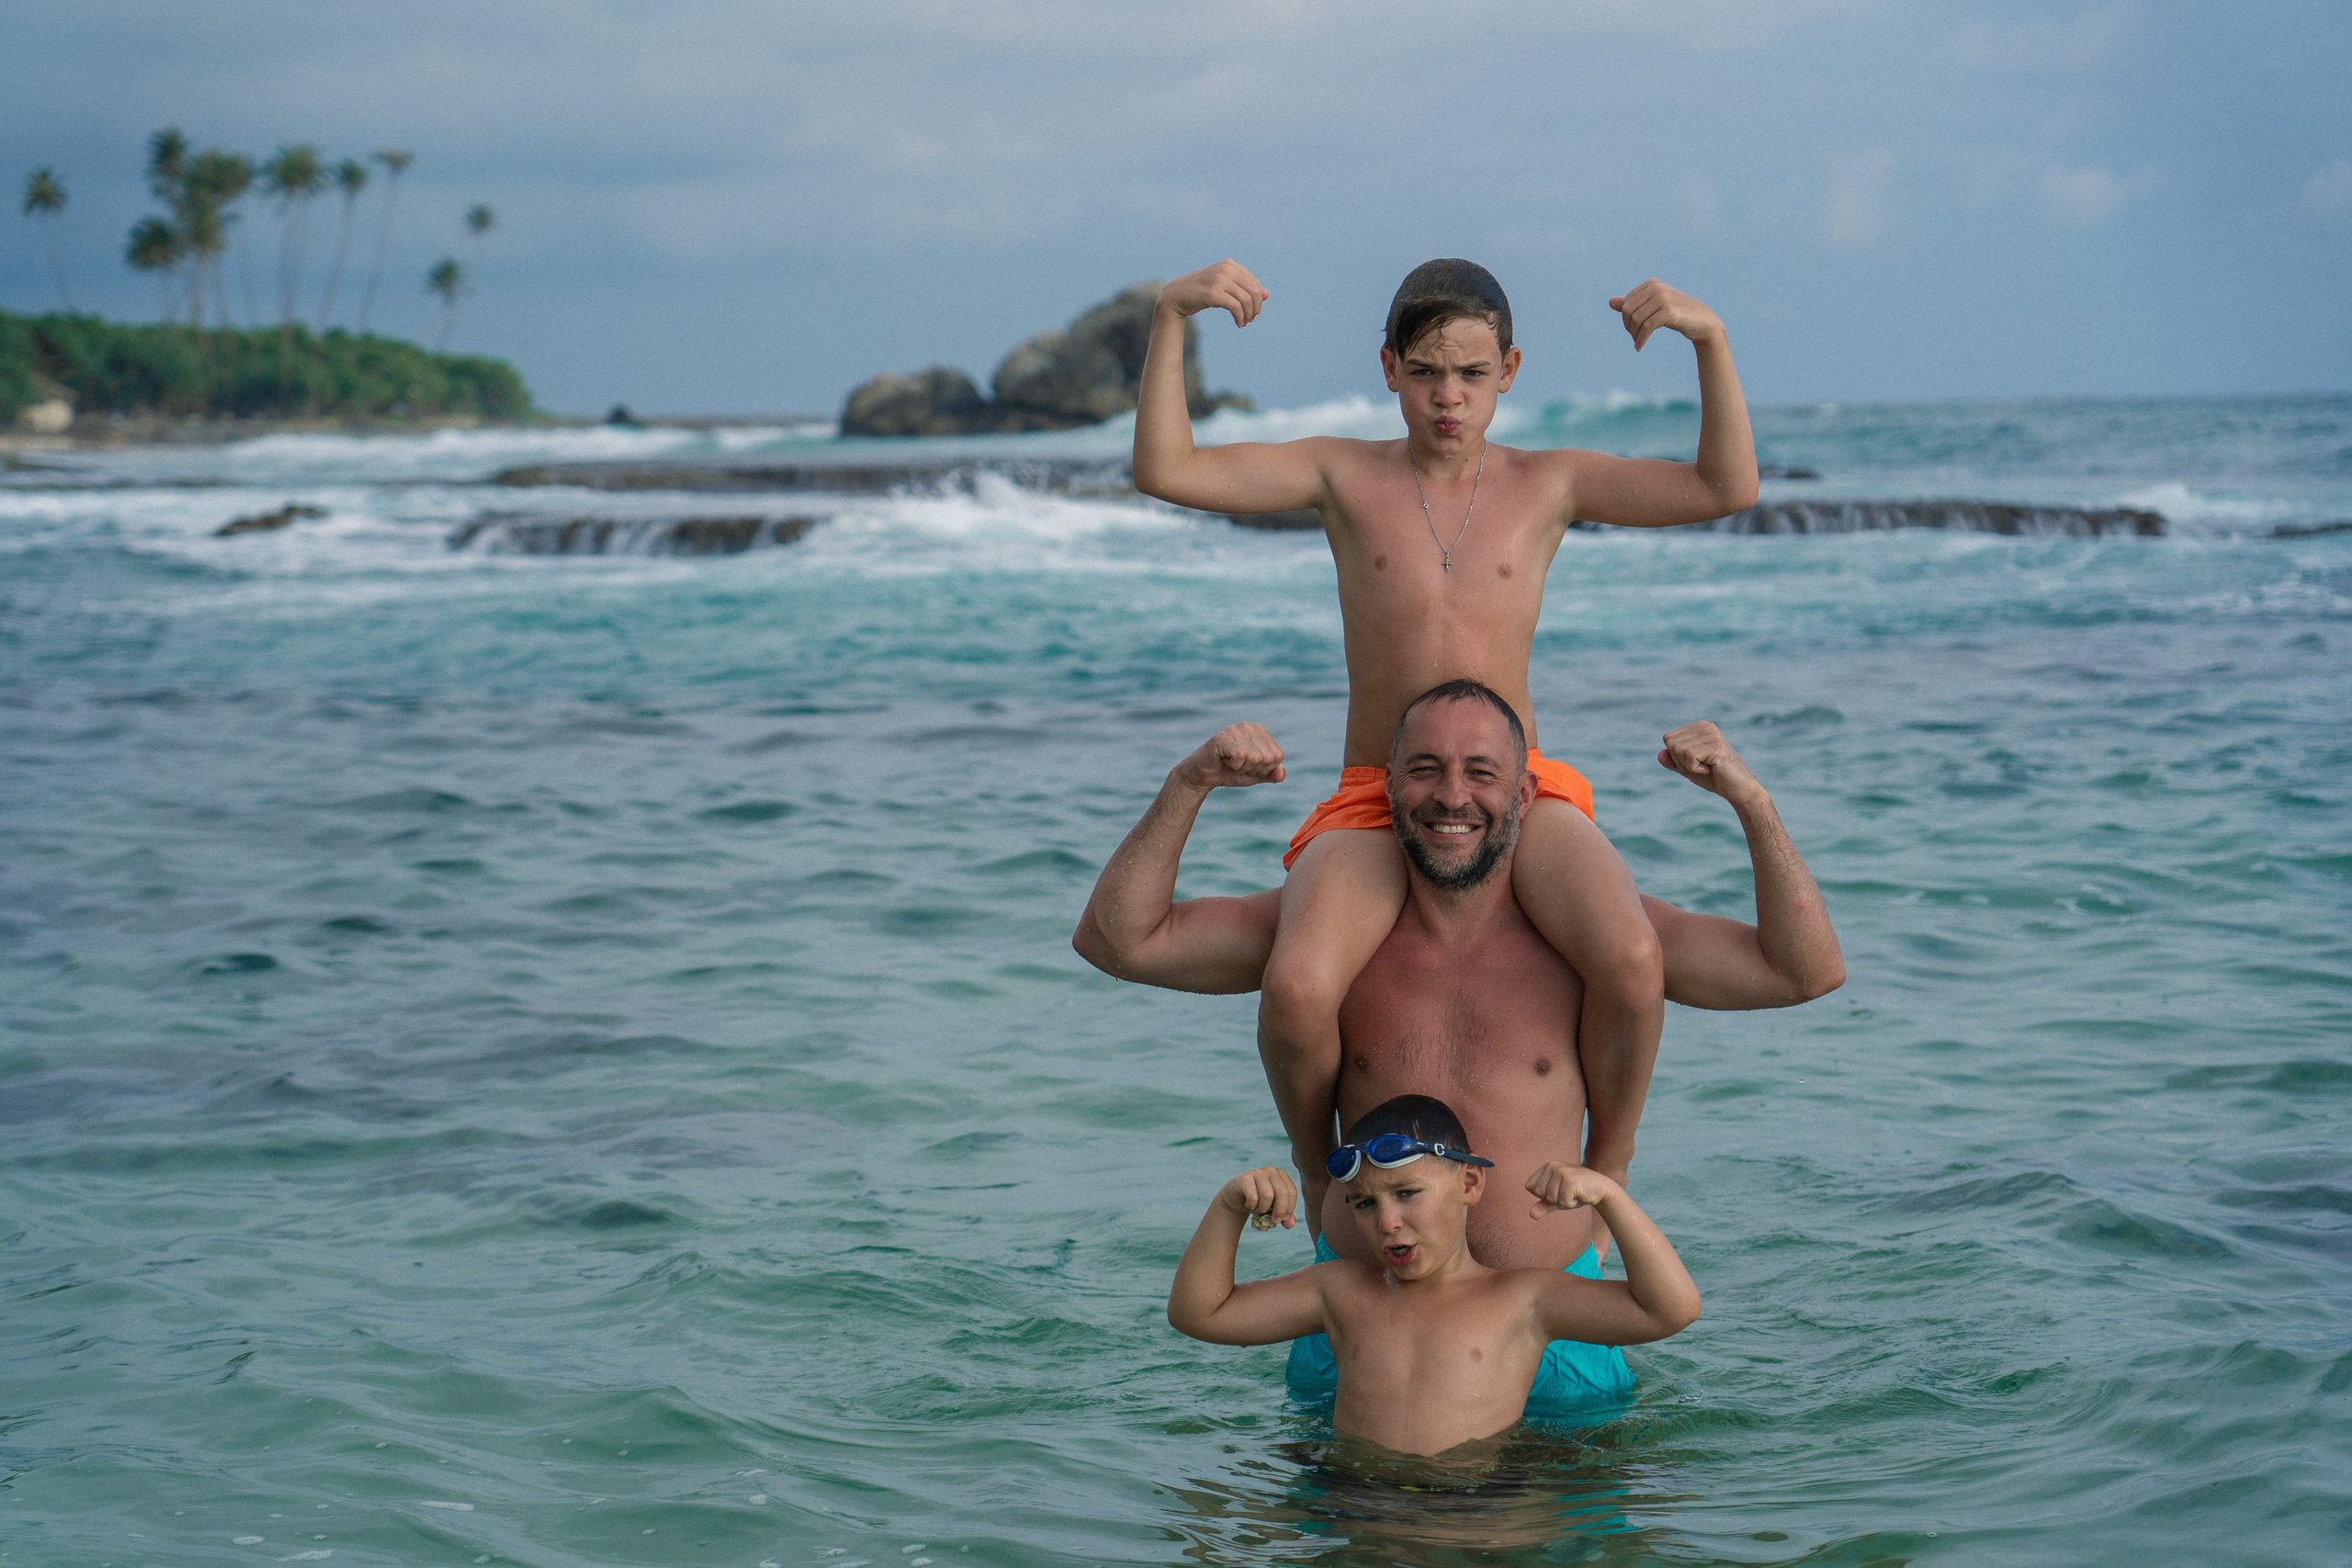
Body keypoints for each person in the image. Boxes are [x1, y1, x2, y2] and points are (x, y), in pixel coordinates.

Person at [1131, 256, 1760, 1229]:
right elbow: (1167, 470)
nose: (1448, 397)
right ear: (1389, 369)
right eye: (1425, 373)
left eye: (1470, 373)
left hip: (1519, 791)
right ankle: (1317, 1167)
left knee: (1634, 958)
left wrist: (1709, 340)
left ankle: (1612, 1163)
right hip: (1376, 792)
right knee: (1296, 985)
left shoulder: (1549, 483)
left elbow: (1724, 487)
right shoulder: (1342, 475)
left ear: (1510, 369)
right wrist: (1172, 315)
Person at [1075, 683, 1839, 1410]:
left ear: (1526, 794)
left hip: (1553, 1327)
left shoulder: (1587, 941)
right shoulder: (1331, 941)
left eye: (1480, 773)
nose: (1451, 796)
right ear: (1387, 789)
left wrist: (1751, 800)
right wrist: (1189, 782)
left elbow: (1802, 971)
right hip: (1361, 1329)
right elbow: (1119, 942)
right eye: (1424, 770)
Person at [1169, 1093, 1700, 1457]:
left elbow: (1670, 1310)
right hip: (1354, 1497)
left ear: (1469, 1184)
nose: (1386, 1222)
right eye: (1364, 1203)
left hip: (1476, 1503)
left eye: (1406, 1193)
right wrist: (1228, 1207)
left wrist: (1608, 1195)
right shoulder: (1339, 1290)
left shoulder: (1524, 1300)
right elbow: (1200, 1315)